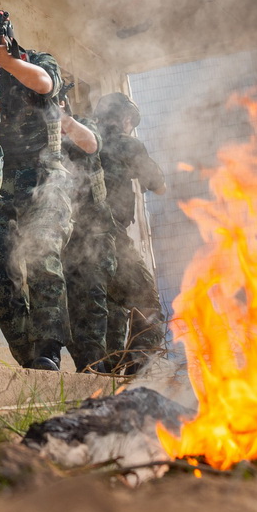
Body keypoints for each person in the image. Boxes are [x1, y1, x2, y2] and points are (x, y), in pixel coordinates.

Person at [0, 9, 71, 371]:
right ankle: (29, 356)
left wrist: (6, 60)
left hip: (44, 180)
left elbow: (44, 83)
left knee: (42, 254)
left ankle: (49, 349)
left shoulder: (34, 61)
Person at [94, 92, 168, 374]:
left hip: (75, 237)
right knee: (145, 300)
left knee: (111, 301)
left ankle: (107, 368)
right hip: (111, 233)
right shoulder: (126, 143)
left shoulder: (82, 137)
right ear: (125, 119)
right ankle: (137, 368)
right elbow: (159, 185)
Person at [58, 94, 117, 373]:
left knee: (93, 294)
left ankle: (97, 363)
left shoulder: (80, 124)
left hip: (92, 229)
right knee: (68, 300)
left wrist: (63, 121)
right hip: (59, 229)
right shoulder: (32, 134)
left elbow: (91, 143)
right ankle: (86, 363)